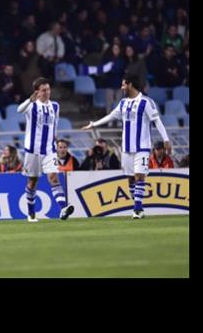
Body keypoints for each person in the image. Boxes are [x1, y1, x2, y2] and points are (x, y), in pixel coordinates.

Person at [81, 73, 171, 219]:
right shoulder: (123, 103)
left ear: (130, 85)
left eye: (123, 85)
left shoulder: (146, 102)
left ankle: (137, 209)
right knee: (130, 179)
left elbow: (157, 121)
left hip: (142, 147)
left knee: (139, 176)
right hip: (126, 148)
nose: (122, 87)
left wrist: (166, 139)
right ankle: (137, 205)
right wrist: (94, 124)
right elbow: (111, 116)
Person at [16, 78, 74, 222]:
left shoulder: (55, 106)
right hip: (33, 150)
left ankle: (63, 208)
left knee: (53, 177)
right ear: (37, 92)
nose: (47, 92)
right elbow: (19, 110)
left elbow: (55, 124)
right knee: (32, 181)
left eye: (48, 89)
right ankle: (31, 214)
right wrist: (29, 100)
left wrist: (55, 139)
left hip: (49, 150)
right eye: (43, 90)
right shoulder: (31, 106)